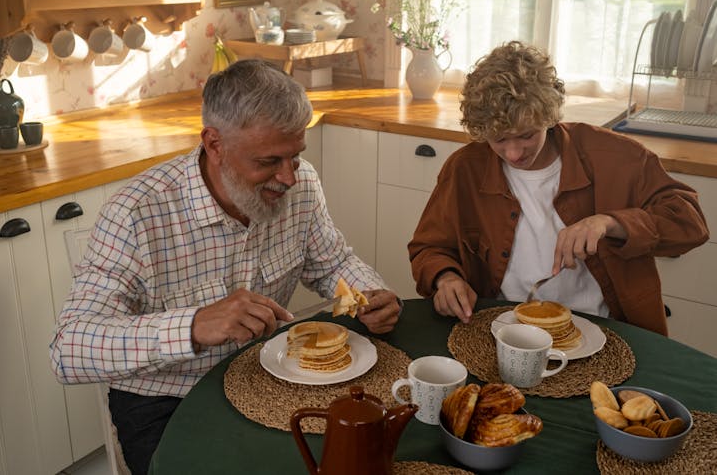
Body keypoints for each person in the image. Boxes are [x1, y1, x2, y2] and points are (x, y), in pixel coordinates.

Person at [50, 59, 402, 475]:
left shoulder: (301, 182)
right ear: (214, 144)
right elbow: (68, 349)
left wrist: (368, 294)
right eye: (270, 161)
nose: (289, 177)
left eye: (296, 156)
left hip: (264, 377)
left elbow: (331, 264)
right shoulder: (136, 213)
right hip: (166, 400)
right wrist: (193, 326)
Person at [408, 41, 709, 335]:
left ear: (548, 116)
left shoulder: (616, 157)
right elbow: (429, 247)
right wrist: (445, 278)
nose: (513, 154)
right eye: (498, 139)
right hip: (503, 329)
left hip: (604, 331)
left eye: (526, 135)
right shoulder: (466, 168)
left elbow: (691, 223)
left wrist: (611, 223)